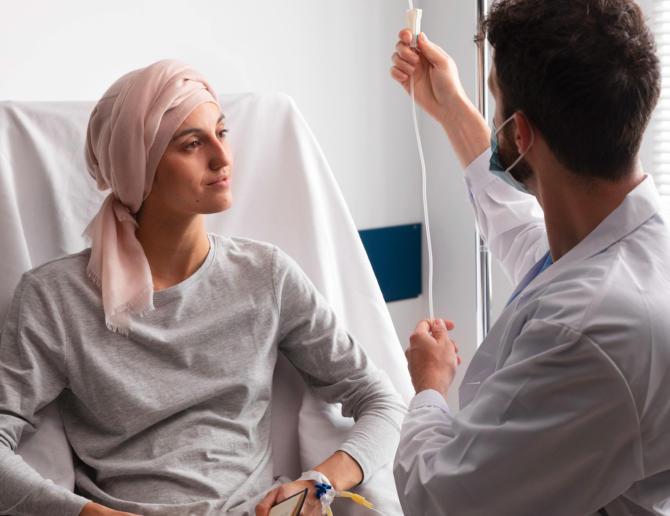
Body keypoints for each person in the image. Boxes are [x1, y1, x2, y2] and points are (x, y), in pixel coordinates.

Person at [0, 60, 405, 516]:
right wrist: (82, 513)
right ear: (138, 166)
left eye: (221, 132)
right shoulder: (54, 298)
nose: (222, 157)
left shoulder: (266, 275)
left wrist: (320, 483)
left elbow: (382, 401)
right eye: (192, 143)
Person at [390, 0, 670, 514]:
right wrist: (450, 105)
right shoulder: (622, 242)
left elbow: (440, 496)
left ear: (520, 133)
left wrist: (430, 386)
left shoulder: (588, 328)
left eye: (493, 100)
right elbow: (524, 233)